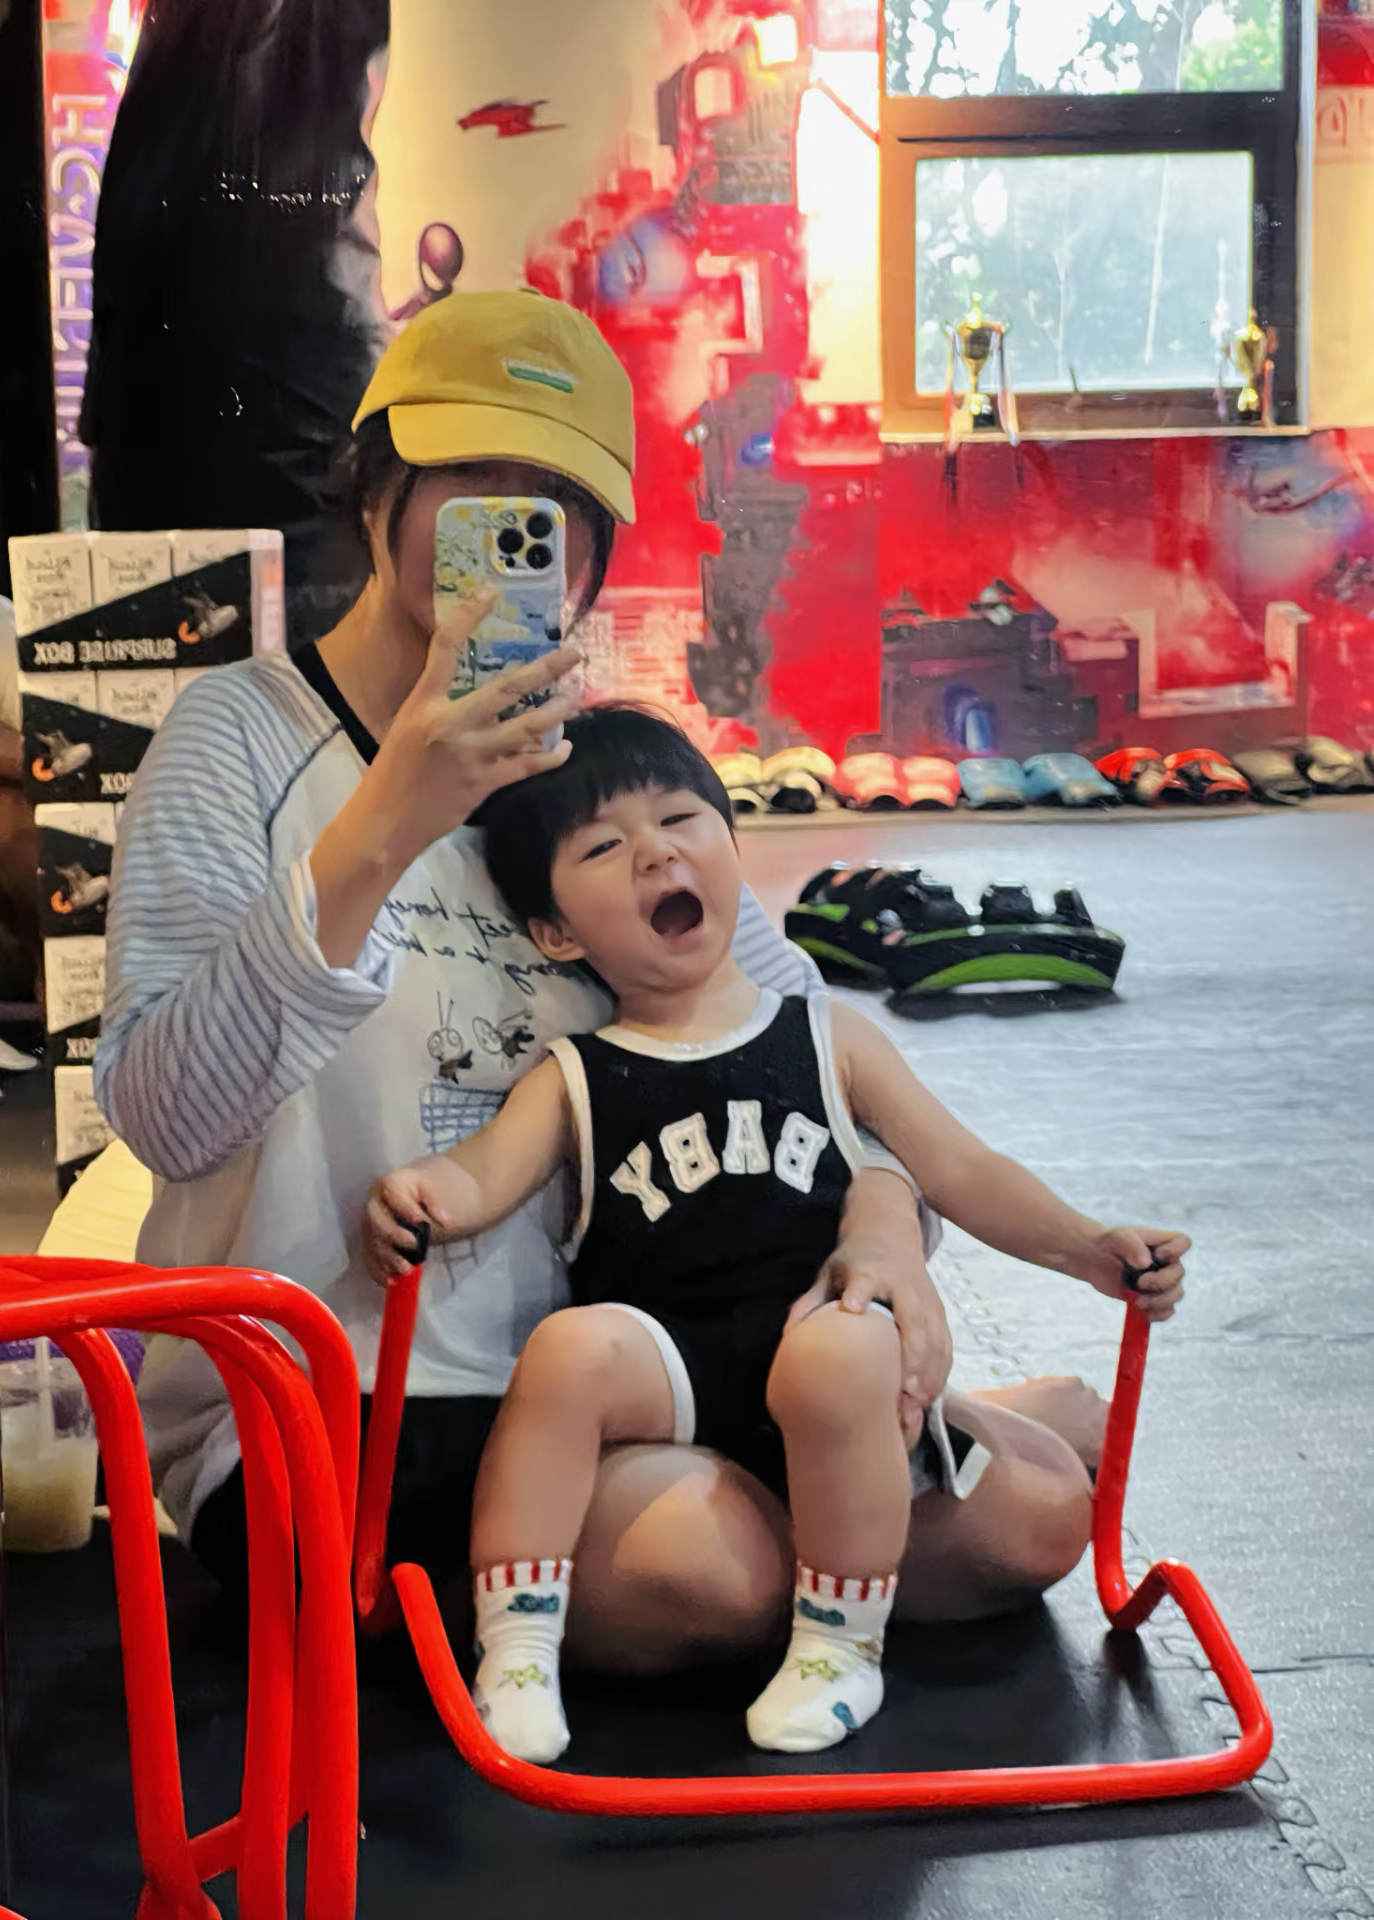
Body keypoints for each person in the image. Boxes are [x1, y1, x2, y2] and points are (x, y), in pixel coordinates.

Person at [96, 289, 1174, 1669]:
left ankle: (859, 1458)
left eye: (553, 501)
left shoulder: (595, 777)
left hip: (638, 1372)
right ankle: (844, 1477)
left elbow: (804, 1051)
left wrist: (889, 1226)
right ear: (375, 487)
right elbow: (169, 1116)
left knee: (1037, 1518)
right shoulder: (239, 740)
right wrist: (386, 824)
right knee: (721, 1573)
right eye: (472, 477)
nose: (512, 524)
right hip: (338, 1414)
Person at [362, 706, 1192, 1762]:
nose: (655, 852)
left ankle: (840, 1647)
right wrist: (420, 1193)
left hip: (824, 1346)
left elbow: (961, 1168)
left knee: (844, 1349)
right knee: (569, 1349)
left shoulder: (829, 1035)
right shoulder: (575, 1073)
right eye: (605, 847)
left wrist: (1086, 1247)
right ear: (559, 933)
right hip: (674, 1362)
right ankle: (517, 1647)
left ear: (731, 847)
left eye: (679, 820)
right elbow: (482, 1174)